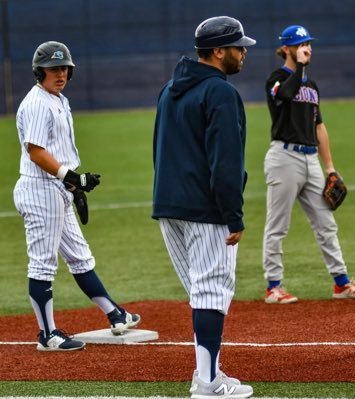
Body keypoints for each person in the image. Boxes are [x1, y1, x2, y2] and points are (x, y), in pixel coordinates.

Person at [13, 41, 140, 351]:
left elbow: (56, 152)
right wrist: (71, 177)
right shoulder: (38, 103)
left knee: (80, 258)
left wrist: (73, 186)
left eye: (63, 69)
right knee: (42, 265)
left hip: (55, 190)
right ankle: (48, 335)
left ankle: (115, 314)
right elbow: (36, 152)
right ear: (39, 72)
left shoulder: (57, 99)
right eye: (52, 69)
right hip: (40, 190)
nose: (59, 74)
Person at [152, 16, 255, 399]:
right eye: (238, 46)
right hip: (206, 208)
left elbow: (158, 151)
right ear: (217, 51)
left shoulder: (168, 89)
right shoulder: (220, 93)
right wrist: (234, 214)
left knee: (201, 293)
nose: (244, 52)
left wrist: (165, 197)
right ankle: (209, 383)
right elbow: (226, 160)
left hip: (169, 205)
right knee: (212, 291)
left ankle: (205, 373)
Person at [262, 25, 355, 304]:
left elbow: (320, 127)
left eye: (309, 44)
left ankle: (341, 283)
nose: (308, 48)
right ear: (288, 49)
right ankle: (273, 287)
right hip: (284, 158)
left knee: (326, 224)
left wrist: (330, 168)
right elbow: (286, 95)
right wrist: (299, 68)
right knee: (278, 225)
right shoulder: (276, 79)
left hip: (310, 159)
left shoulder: (311, 86)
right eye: (302, 44)